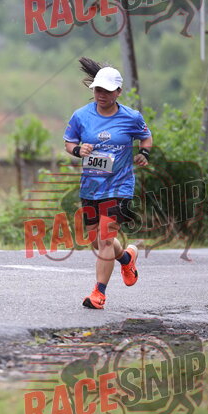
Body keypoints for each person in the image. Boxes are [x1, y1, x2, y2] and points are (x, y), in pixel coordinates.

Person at [63, 57, 152, 309]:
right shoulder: (81, 116)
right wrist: (78, 150)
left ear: (118, 92)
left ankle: (98, 294)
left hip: (120, 186)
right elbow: (69, 142)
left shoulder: (131, 117)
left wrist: (144, 153)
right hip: (91, 187)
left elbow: (146, 137)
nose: (101, 95)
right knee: (96, 240)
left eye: (107, 91)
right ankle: (126, 258)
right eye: (98, 90)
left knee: (104, 238)